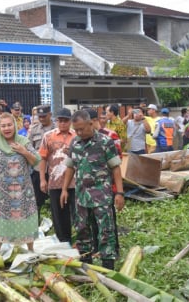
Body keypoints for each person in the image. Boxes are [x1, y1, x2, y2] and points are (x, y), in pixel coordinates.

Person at [60, 110, 124, 270]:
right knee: (82, 230)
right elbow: (70, 167)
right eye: (77, 130)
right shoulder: (75, 143)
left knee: (105, 231)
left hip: (101, 196)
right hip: (81, 196)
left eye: (82, 129)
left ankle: (107, 266)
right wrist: (64, 189)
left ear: (91, 123)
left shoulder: (105, 142)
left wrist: (120, 193)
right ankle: (86, 266)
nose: (80, 132)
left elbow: (115, 168)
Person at [0, 113, 41, 251]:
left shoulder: (24, 142)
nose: (7, 128)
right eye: (3, 125)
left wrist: (24, 151)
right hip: (0, 194)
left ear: (15, 125)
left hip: (23, 192)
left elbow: (36, 162)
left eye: (9, 125)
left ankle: (30, 250)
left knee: (26, 218)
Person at [38, 108, 76, 243]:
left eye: (66, 121)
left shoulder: (77, 136)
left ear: (70, 121)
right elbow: (42, 158)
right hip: (55, 181)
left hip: (75, 182)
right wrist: (42, 179)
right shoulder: (48, 136)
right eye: (60, 121)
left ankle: (81, 240)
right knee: (59, 214)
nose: (63, 124)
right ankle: (63, 241)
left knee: (77, 212)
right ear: (56, 121)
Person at [28, 105, 56, 221]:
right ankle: (38, 224)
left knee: (55, 200)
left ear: (50, 114)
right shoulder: (34, 129)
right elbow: (29, 147)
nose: (42, 119)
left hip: (54, 170)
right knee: (38, 200)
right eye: (40, 116)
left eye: (44, 116)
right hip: (38, 169)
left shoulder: (57, 128)